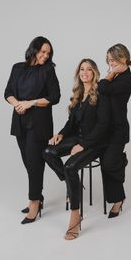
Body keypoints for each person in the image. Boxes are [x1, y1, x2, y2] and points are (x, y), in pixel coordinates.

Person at [43, 59, 110, 240]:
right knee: (48, 151)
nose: (85, 72)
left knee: (70, 167)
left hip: (95, 142)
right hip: (77, 138)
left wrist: (83, 145)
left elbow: (103, 125)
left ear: (94, 73)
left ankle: (75, 215)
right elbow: (71, 123)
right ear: (78, 73)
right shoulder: (78, 93)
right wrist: (61, 135)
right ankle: (72, 186)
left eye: (89, 69)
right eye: (82, 69)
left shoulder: (101, 92)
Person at [4, 36, 61, 224]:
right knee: (28, 162)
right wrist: (18, 104)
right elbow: (8, 93)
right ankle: (39, 195)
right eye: (43, 51)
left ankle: (34, 203)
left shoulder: (48, 71)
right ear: (33, 49)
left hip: (39, 123)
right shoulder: (17, 68)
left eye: (48, 53)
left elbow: (55, 97)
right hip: (20, 121)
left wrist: (31, 102)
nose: (45, 55)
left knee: (35, 163)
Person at [98, 43, 131, 218]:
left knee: (108, 163)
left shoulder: (127, 79)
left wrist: (110, 73)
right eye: (108, 61)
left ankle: (121, 161)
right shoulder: (115, 75)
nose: (110, 64)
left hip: (118, 129)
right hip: (105, 128)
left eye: (113, 60)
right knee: (105, 165)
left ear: (123, 58)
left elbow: (103, 88)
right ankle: (117, 200)